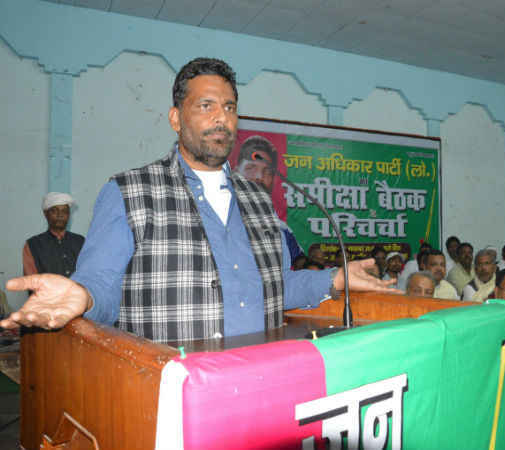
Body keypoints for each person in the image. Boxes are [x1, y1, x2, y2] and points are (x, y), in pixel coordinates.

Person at [1, 57, 399, 341]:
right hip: (172, 394)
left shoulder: (259, 201)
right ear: (176, 118)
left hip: (259, 383)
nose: (221, 117)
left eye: (229, 107)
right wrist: (83, 295)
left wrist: (334, 278)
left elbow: (272, 287)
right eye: (205, 106)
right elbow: (103, 282)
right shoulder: (130, 192)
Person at [235, 135, 303, 263]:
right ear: (236, 172)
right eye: (251, 168)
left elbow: (300, 266)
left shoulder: (282, 229)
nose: (259, 177)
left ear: (273, 181)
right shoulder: (215, 219)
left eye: (267, 172)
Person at [23, 193, 85, 277]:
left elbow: (88, 273)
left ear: (69, 214)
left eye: (64, 211)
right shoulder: (32, 245)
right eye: (55, 211)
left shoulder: (81, 242)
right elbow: (31, 280)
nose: (60, 215)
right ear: (45, 214)